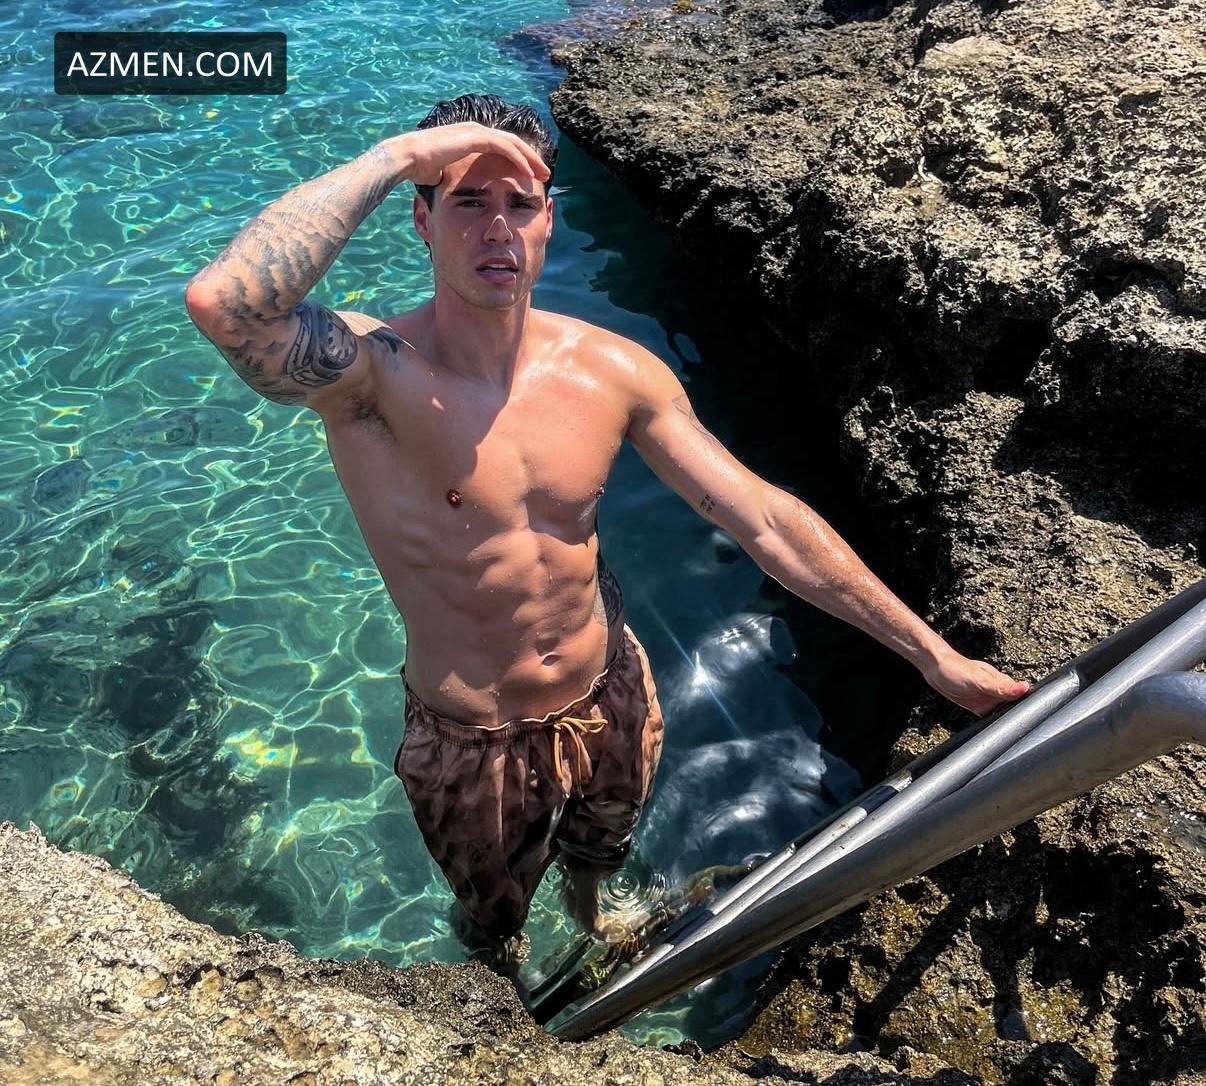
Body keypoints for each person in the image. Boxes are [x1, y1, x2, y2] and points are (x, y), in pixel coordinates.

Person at [185, 93, 1028, 982]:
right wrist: (399, 154)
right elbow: (225, 304)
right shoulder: (372, 376)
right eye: (468, 202)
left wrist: (934, 657)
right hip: (473, 740)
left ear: (549, 221)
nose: (497, 228)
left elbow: (763, 516)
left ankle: (589, 911)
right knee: (491, 915)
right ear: (423, 221)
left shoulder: (612, 371)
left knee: (601, 849)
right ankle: (497, 986)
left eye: (520, 203)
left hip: (612, 689)